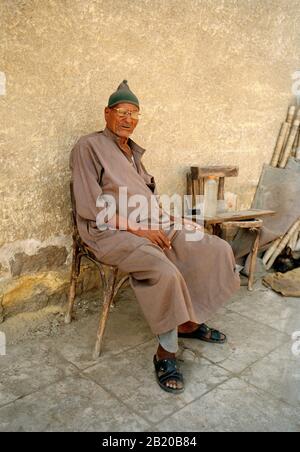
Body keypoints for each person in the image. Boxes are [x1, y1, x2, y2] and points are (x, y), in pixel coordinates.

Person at [70, 80, 240, 394]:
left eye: (134, 113)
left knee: (211, 247)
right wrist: (139, 230)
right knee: (163, 270)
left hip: (151, 221)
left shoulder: (133, 153)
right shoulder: (88, 146)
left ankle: (188, 321)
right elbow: (90, 205)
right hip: (109, 231)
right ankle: (165, 352)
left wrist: (177, 221)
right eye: (122, 111)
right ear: (107, 113)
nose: (128, 118)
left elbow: (147, 199)